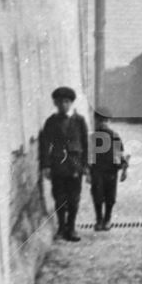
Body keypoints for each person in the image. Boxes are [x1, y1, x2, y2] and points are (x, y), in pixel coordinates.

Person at [39, 86, 89, 242]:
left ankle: (71, 228)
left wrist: (86, 165)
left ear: (71, 103)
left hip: (75, 165)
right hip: (58, 166)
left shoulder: (79, 120)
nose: (63, 105)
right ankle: (61, 227)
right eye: (60, 102)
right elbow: (45, 144)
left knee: (74, 198)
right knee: (59, 198)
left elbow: (86, 143)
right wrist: (46, 166)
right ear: (55, 103)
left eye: (67, 102)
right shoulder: (51, 122)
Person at [89, 107, 129, 231]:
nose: (103, 123)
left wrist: (123, 168)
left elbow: (118, 154)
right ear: (95, 120)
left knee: (110, 196)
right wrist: (88, 171)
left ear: (109, 121)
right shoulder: (92, 137)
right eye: (100, 120)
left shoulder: (114, 136)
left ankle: (107, 219)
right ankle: (99, 219)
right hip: (97, 171)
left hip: (111, 171)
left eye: (105, 120)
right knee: (97, 195)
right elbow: (89, 155)